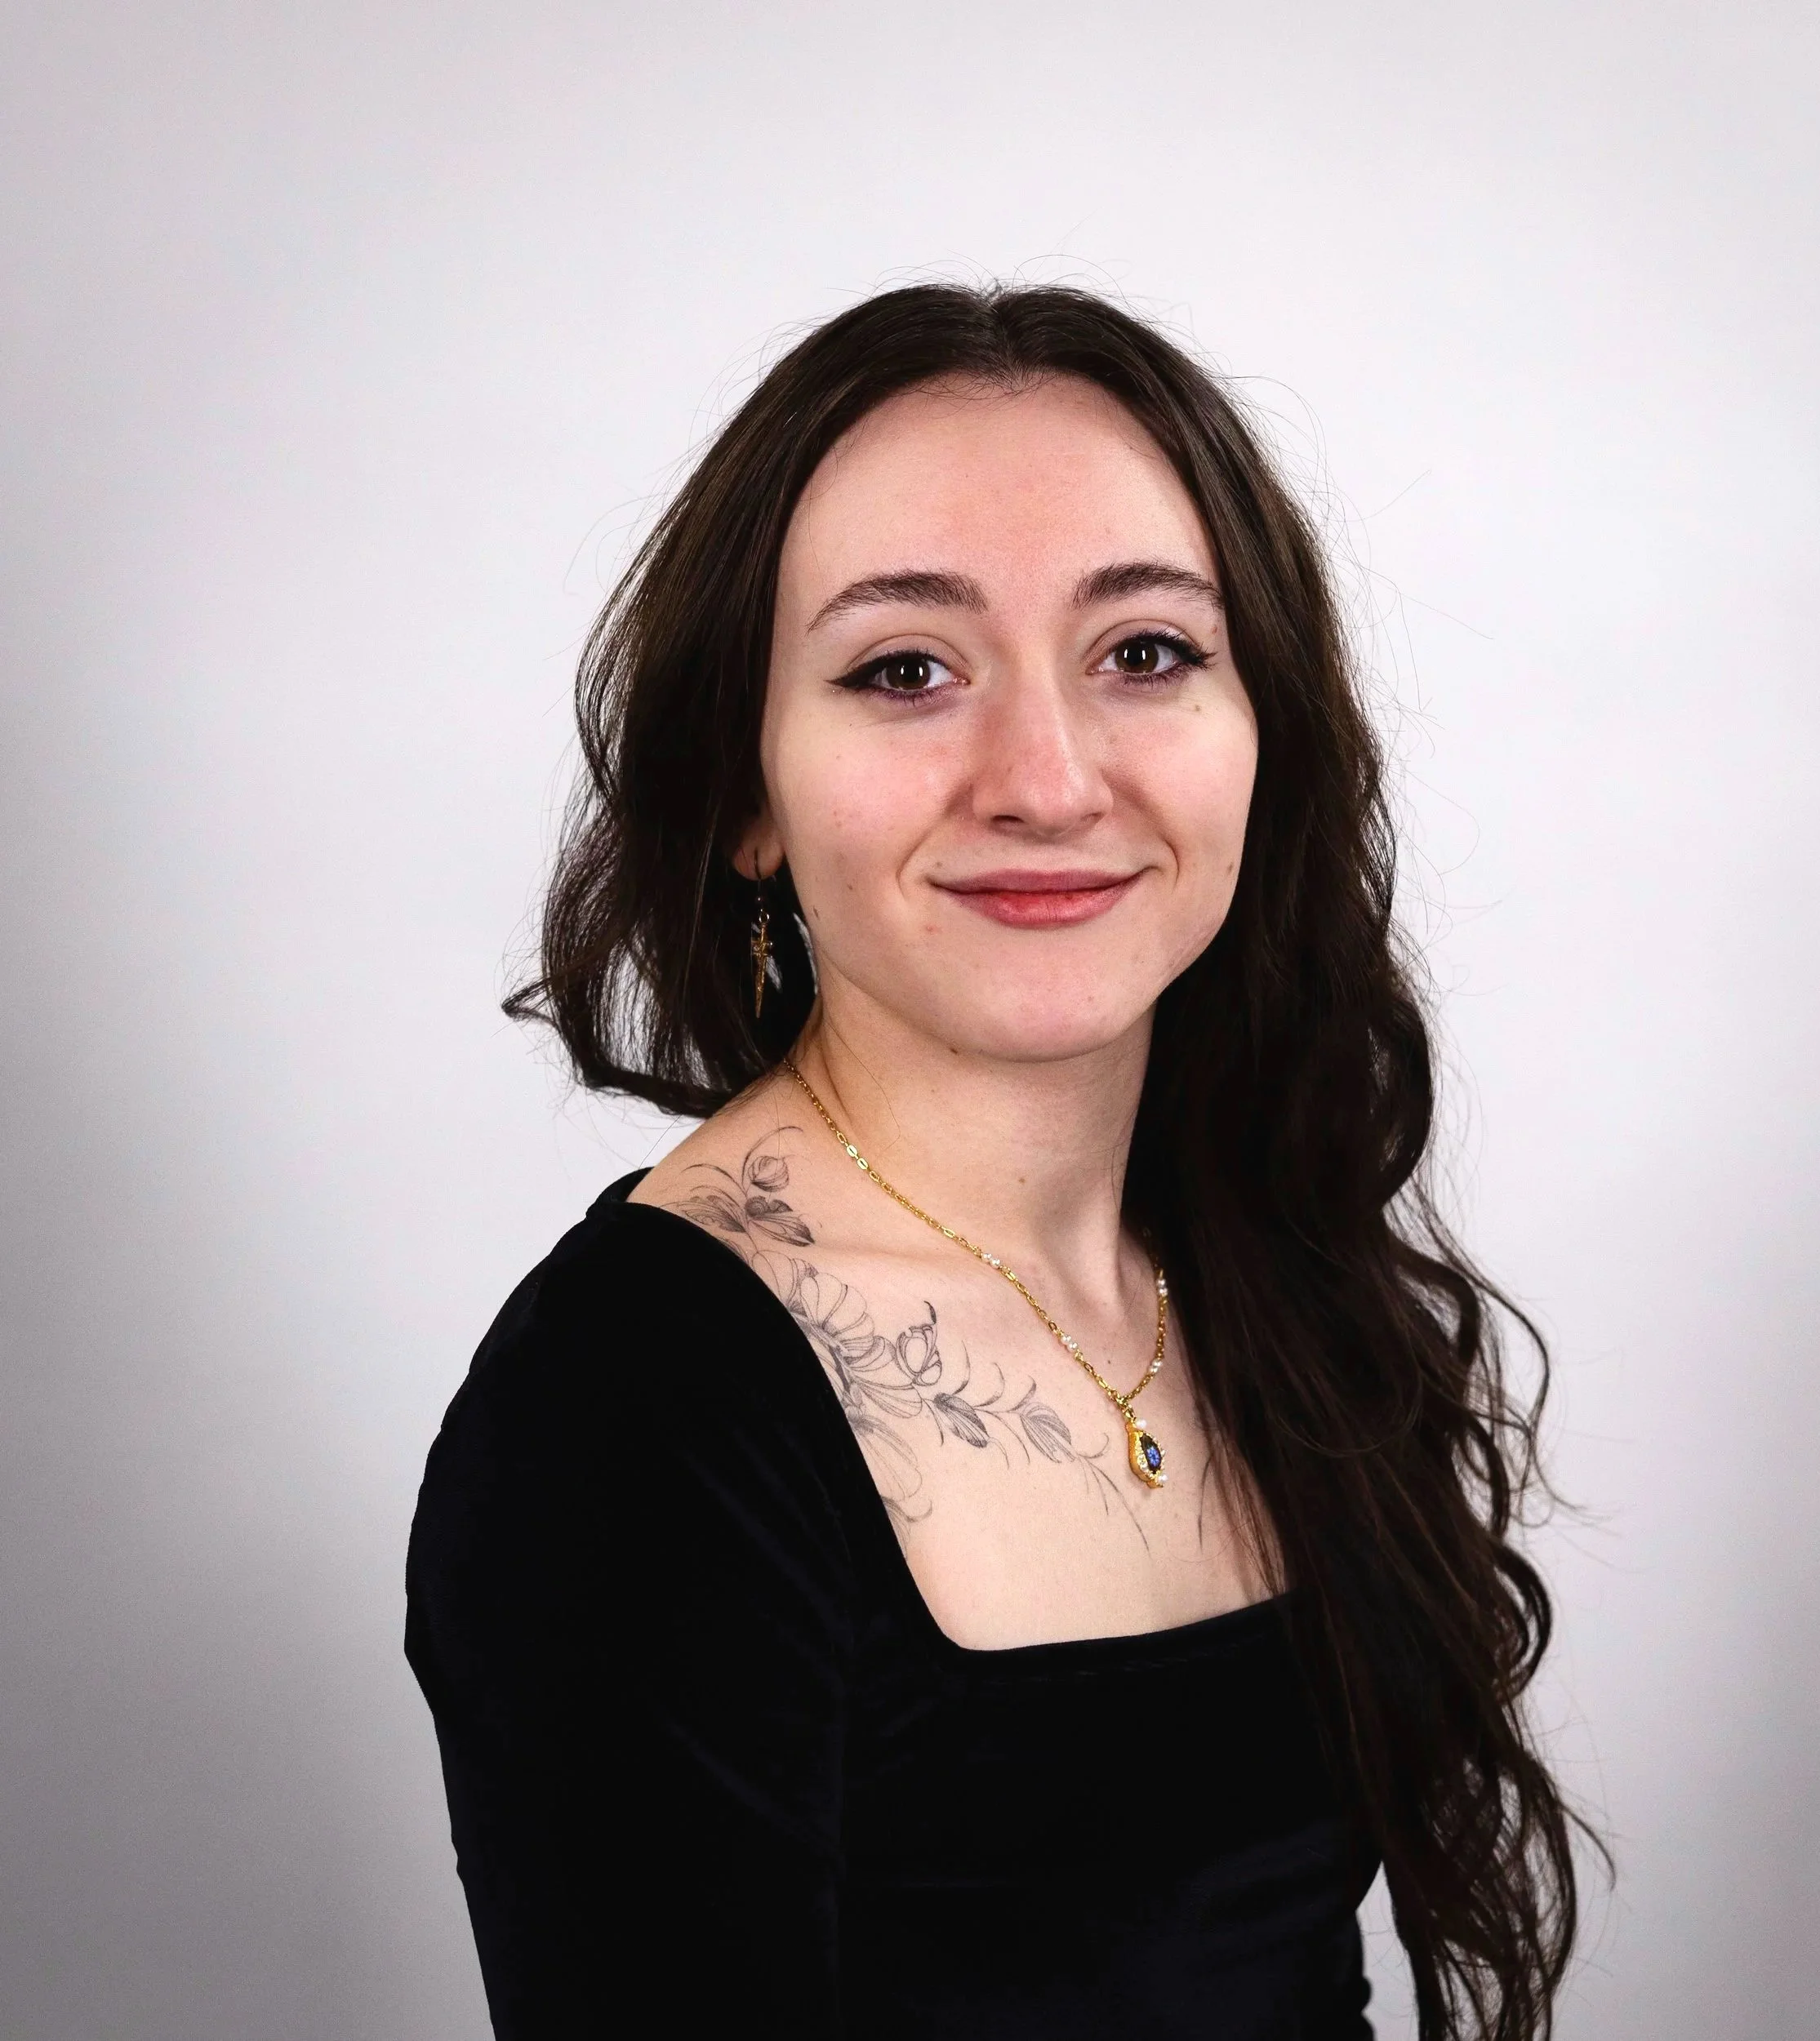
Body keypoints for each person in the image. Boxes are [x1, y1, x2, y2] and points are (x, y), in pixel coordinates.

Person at [404, 283, 1588, 2040]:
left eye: (1143, 653)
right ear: (743, 787)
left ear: (1265, 732)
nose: (1044, 776)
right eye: (904, 669)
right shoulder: (630, 1409)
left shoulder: (1252, 1260)